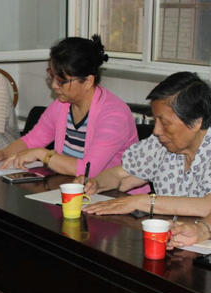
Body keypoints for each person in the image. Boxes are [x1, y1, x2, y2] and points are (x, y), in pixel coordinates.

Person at [0, 35, 138, 176]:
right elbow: (31, 140)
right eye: (52, 76)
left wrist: (42, 154)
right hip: (73, 187)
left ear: (88, 81)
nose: (54, 86)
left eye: (62, 81)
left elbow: (87, 169)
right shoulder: (62, 105)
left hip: (114, 194)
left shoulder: (114, 115)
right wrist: (2, 154)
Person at [82, 71, 211, 217]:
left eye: (165, 123)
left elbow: (206, 206)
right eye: (155, 121)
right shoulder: (160, 144)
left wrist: (140, 202)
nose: (156, 131)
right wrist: (96, 183)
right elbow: (120, 175)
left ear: (196, 122)